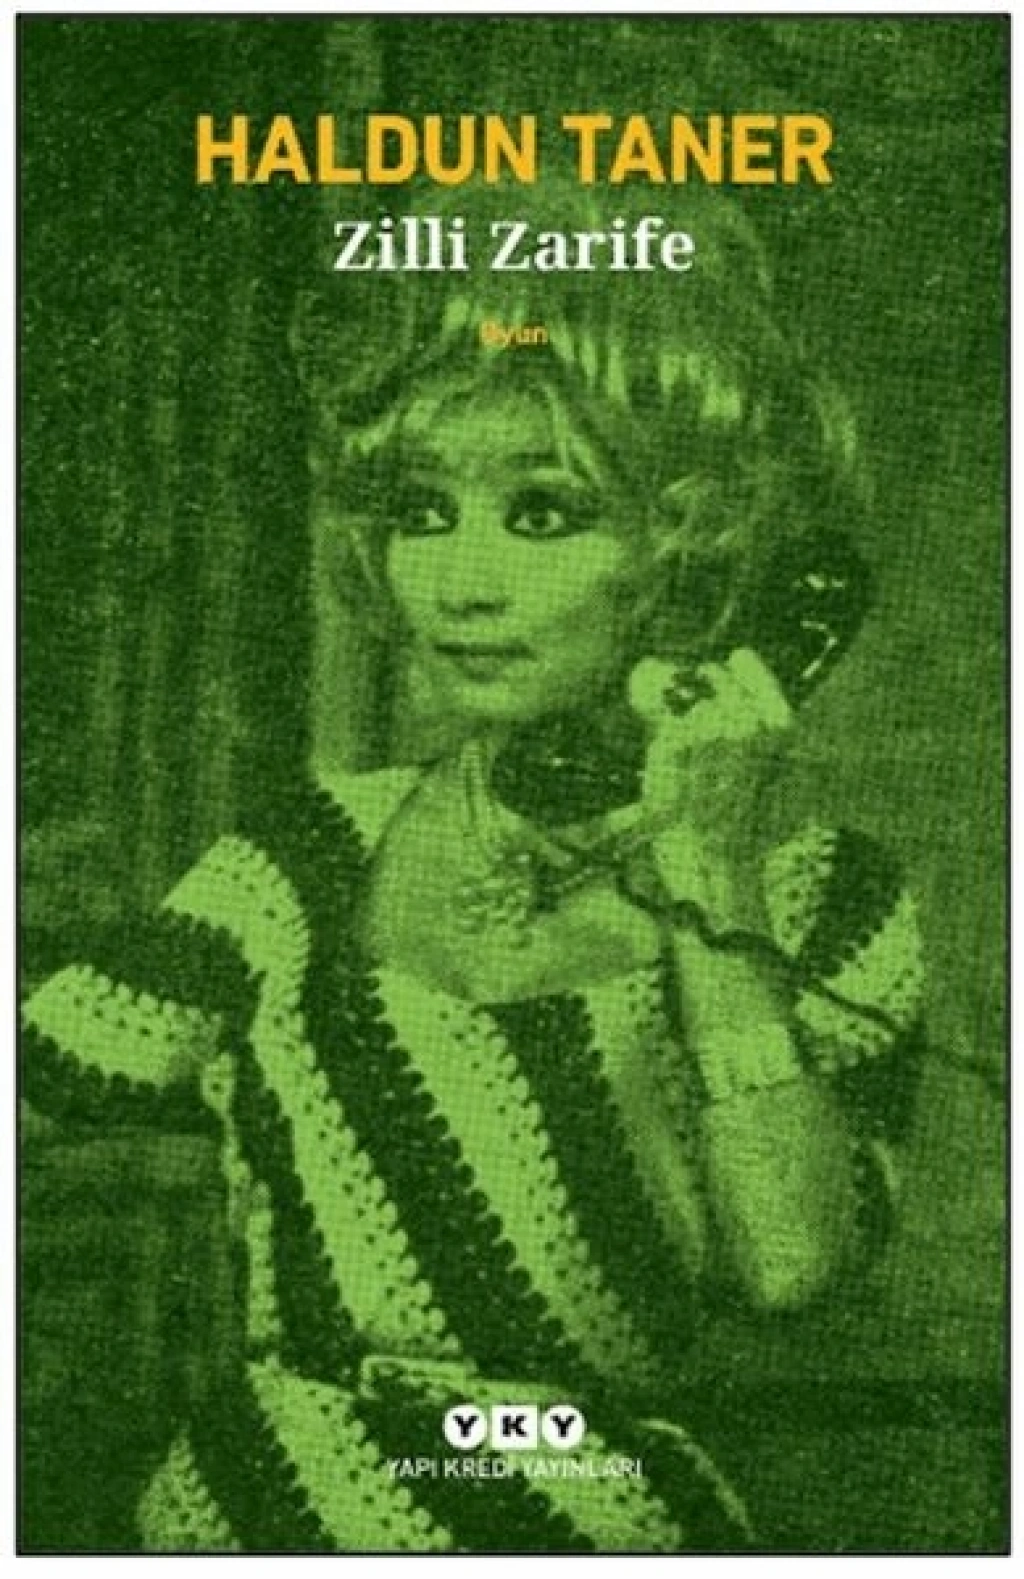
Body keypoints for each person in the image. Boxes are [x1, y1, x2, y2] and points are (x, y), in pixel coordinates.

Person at [21, 183, 925, 1552]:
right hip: (259, 1519)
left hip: (588, 1518)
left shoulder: (822, 900)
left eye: (545, 513)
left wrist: (709, 876)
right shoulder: (300, 860)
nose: (459, 582)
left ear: (693, 549)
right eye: (422, 510)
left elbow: (794, 1264)